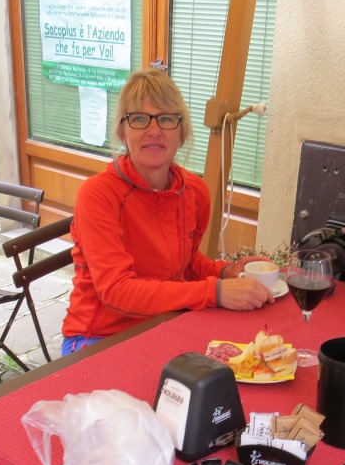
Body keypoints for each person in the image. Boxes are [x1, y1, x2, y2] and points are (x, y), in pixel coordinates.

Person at [62, 68, 273, 355]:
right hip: (99, 338)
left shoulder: (195, 191)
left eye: (166, 119)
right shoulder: (98, 194)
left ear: (181, 132)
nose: (154, 130)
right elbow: (116, 291)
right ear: (123, 132)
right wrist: (215, 292)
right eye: (139, 118)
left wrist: (226, 272)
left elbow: (186, 262)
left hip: (165, 324)